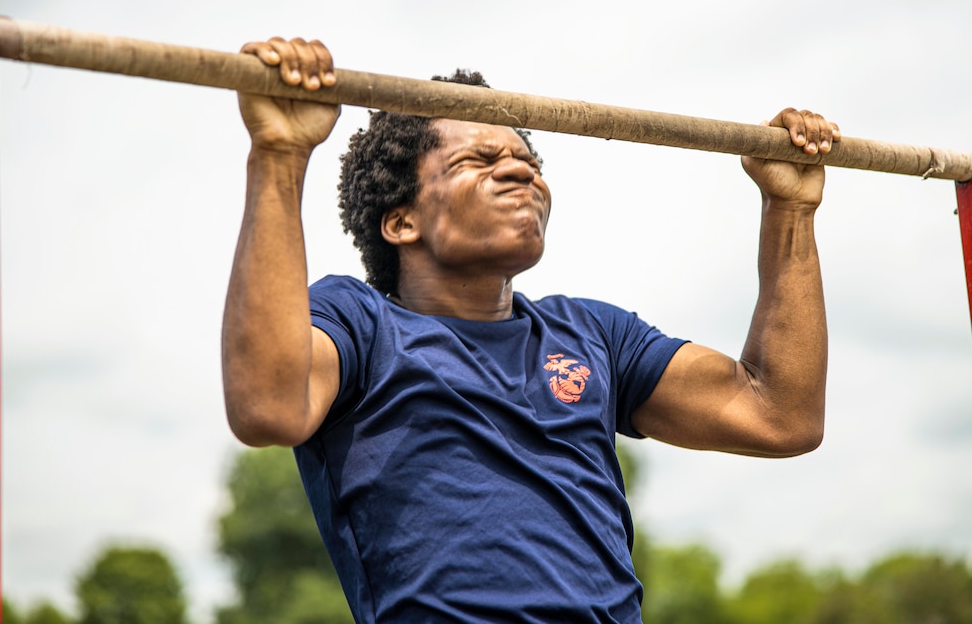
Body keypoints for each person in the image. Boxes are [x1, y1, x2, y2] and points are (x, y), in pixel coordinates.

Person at [221, 36, 840, 623]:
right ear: (402, 221)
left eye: (526, 159)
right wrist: (280, 153)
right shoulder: (361, 325)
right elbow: (266, 407)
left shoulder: (593, 335)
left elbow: (779, 414)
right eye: (479, 160)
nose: (521, 173)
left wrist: (791, 209)